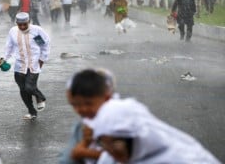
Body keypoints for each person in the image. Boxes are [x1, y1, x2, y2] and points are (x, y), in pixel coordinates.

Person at [86, 98, 221, 164]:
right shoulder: (110, 156)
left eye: (115, 145)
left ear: (135, 139)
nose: (111, 152)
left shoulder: (184, 158)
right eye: (103, 144)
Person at [0, 12, 50, 120]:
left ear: (29, 21)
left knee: (29, 87)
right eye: (20, 25)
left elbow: (44, 45)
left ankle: (40, 97)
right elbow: (9, 47)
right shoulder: (13, 31)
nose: (22, 27)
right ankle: (32, 112)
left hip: (33, 65)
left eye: (25, 24)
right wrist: (3, 59)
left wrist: (42, 59)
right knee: (23, 90)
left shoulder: (36, 31)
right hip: (19, 66)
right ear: (17, 23)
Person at [59, 69, 117, 164]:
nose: (81, 110)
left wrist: (83, 152)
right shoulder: (83, 124)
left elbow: (123, 155)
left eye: (88, 103)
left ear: (106, 97)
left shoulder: (120, 121)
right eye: (74, 104)